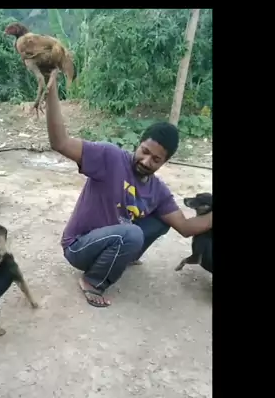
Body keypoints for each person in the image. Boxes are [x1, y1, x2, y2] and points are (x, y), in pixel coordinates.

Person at [45, 76, 212, 307]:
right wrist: (50, 86)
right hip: (79, 246)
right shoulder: (110, 157)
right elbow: (60, 143)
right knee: (131, 233)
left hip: (114, 239)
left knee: (161, 221)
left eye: (156, 160)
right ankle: (92, 280)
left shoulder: (158, 191)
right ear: (138, 143)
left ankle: (126, 256)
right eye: (144, 151)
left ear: (165, 162)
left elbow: (185, 227)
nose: (146, 161)